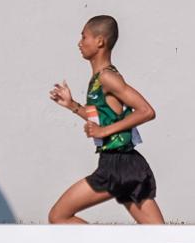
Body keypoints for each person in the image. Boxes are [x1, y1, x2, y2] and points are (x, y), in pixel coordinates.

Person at [48, 15, 164, 224]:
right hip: (128, 165)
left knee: (58, 216)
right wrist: (72, 105)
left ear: (100, 41)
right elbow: (104, 117)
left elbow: (146, 111)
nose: (79, 43)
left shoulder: (107, 77)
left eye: (84, 37)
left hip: (116, 166)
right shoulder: (98, 79)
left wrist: (103, 132)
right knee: (159, 235)